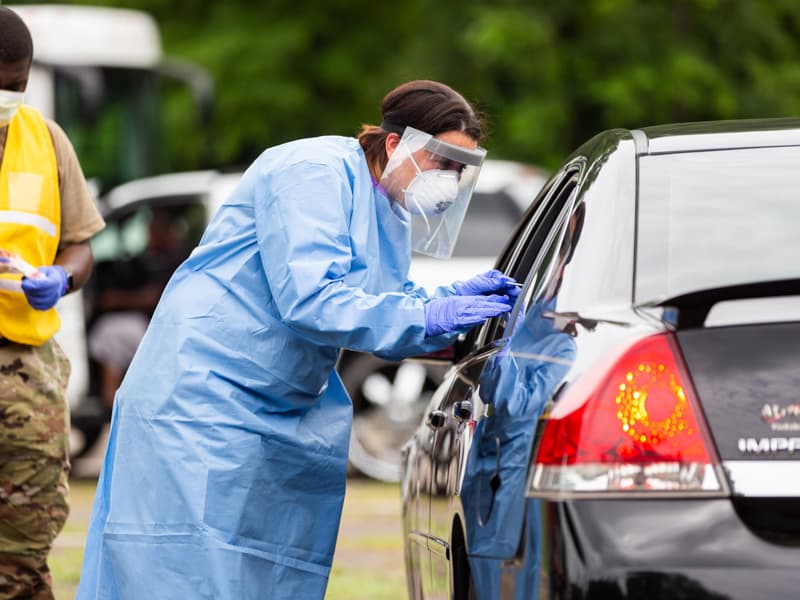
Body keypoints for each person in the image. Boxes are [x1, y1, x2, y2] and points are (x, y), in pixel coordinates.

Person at [77, 79, 519, 600]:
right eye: (443, 162)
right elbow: (314, 302)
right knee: (183, 571)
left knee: (260, 574)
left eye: (459, 169)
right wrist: (430, 316)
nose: (448, 180)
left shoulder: (388, 211)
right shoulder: (311, 172)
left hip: (273, 408)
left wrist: (452, 312)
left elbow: (379, 307)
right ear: (397, 144)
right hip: (203, 402)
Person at [0, 8, 105, 599]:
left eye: (17, 86)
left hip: (25, 374)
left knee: (23, 550)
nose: (8, 98)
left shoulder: (46, 138)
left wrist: (60, 279)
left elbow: (80, 245)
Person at [87, 207, 193, 410]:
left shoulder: (177, 258)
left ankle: (112, 400)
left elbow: (153, 298)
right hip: (158, 325)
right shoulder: (160, 257)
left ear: (164, 232)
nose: (148, 237)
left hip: (162, 327)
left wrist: (118, 300)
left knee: (107, 332)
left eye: (152, 231)